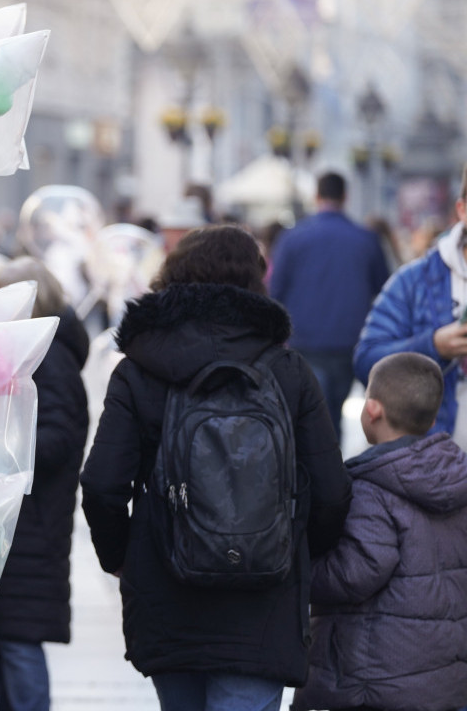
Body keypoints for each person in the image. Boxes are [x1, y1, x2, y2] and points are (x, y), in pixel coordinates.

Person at [79, 225, 352, 711]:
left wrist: (123, 557)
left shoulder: (139, 369)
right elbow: (332, 490)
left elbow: (102, 484)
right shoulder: (289, 372)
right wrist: (293, 550)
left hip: (166, 589)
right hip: (263, 600)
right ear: (255, 283)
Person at [292, 352, 467, 711]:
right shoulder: (457, 481)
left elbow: (356, 571)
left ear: (371, 410)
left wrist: (301, 574)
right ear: (433, 416)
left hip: (374, 677)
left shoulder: (373, 487)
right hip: (442, 680)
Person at [0, 257, 89, 711]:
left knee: (17, 642)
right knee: (0, 641)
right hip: (8, 520)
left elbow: (58, 439)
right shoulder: (18, 356)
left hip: (30, 524)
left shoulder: (49, 360)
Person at [271, 171, 390, 440]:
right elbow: (384, 292)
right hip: (349, 342)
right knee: (333, 414)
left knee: (310, 416)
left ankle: (317, 463)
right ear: (345, 197)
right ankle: (333, 461)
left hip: (304, 341)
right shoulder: (366, 239)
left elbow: (275, 291)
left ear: (316, 196)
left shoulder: (292, 238)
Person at [355, 167, 467, 448]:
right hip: (429, 456)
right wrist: (433, 346)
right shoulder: (414, 281)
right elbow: (367, 361)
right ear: (462, 210)